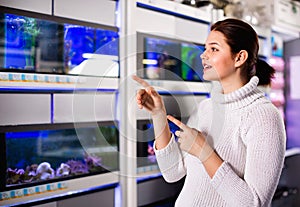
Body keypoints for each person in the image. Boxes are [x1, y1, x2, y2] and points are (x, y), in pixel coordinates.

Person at [133, 18, 286, 207]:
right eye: (205, 48)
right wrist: (158, 114)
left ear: (239, 58)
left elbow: (254, 204)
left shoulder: (263, 116)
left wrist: (204, 152)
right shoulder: (206, 108)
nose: (203, 55)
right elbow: (172, 172)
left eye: (213, 49)